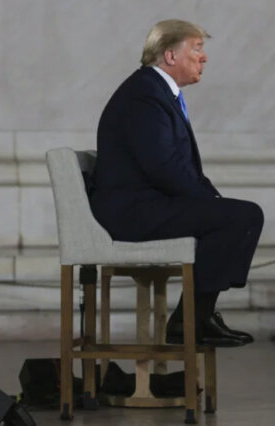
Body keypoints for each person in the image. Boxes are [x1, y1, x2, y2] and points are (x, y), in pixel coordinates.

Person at [90, 19, 264, 347]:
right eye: (197, 49)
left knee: (239, 215)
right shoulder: (144, 94)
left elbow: (177, 167)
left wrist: (211, 198)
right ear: (170, 56)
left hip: (148, 203)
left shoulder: (154, 91)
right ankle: (193, 320)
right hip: (133, 212)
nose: (204, 57)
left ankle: (196, 316)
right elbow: (162, 167)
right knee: (243, 216)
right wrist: (209, 203)